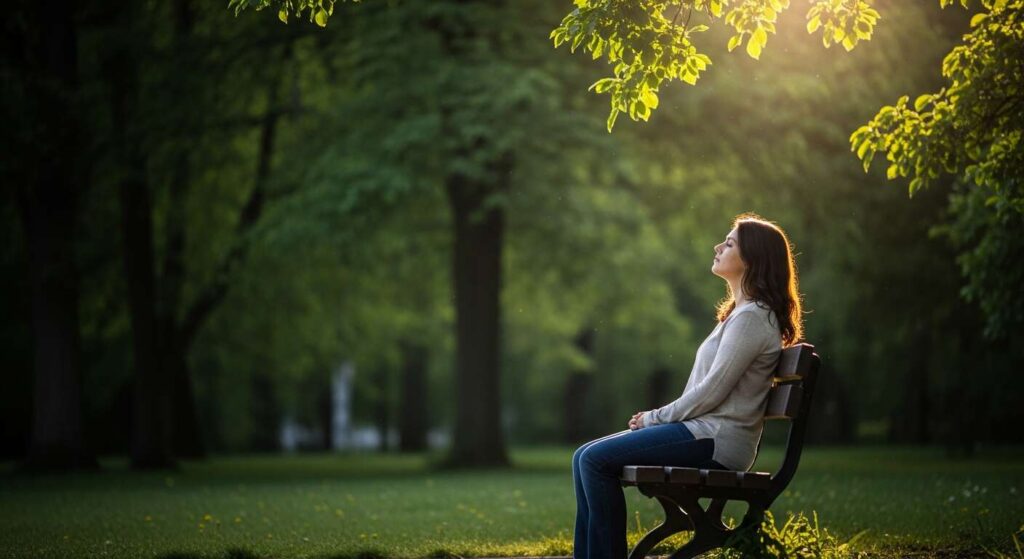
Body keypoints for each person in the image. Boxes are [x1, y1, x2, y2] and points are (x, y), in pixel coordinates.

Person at [571, 212, 804, 559]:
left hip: (717, 440)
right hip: (702, 432)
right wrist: (661, 419)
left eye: (729, 243)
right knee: (583, 457)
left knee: (593, 461)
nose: (718, 247)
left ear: (752, 259)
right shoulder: (739, 314)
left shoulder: (753, 318)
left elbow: (713, 391)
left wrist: (655, 418)